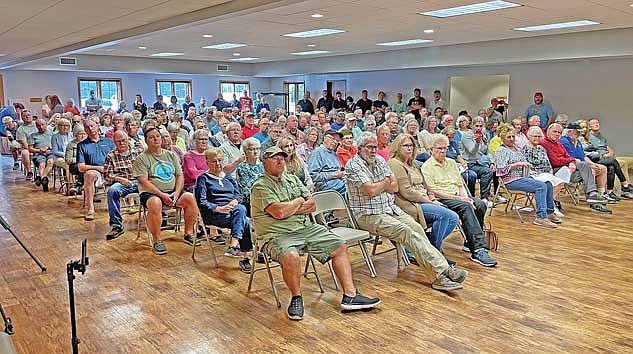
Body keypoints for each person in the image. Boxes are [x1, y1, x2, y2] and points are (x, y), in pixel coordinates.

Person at [251, 146, 381, 320]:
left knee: (339, 245)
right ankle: (296, 297)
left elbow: (312, 205)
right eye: (274, 158)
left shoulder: (293, 179)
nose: (280, 160)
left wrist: (291, 207)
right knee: (291, 255)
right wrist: (298, 201)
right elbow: (279, 213)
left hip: (305, 228)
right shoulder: (260, 186)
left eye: (282, 157)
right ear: (264, 162)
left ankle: (350, 295)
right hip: (276, 235)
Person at [346, 133, 469, 289]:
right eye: (369, 147)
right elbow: (370, 190)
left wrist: (379, 185)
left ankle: (441, 272)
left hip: (390, 209)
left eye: (375, 147)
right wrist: (384, 183)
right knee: (406, 232)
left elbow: (395, 187)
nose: (373, 151)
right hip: (369, 215)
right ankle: (442, 273)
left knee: (417, 228)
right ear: (360, 148)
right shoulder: (353, 165)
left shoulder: (379, 161)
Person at [421, 135, 498, 267]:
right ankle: (478, 249)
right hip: (442, 199)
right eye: (439, 148)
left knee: (479, 204)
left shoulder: (451, 162)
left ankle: (470, 242)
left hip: (457, 195)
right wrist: (461, 199)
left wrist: (466, 197)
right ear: (431, 150)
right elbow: (433, 191)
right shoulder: (427, 167)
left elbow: (460, 184)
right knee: (465, 206)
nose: (443, 151)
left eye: (445, 148)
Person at [387, 134, 459, 264]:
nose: (409, 148)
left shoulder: (412, 163)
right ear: (398, 147)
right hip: (410, 204)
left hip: (424, 200)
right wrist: (430, 202)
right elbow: (407, 192)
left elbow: (426, 185)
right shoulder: (394, 163)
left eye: (411, 145)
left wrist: (432, 197)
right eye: (405, 146)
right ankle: (434, 256)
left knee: (453, 217)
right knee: (447, 216)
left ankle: (428, 250)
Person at [133, 127, 199, 254]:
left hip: (173, 191)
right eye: (152, 137)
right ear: (146, 141)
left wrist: (177, 193)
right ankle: (157, 240)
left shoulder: (170, 155)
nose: (156, 139)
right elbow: (143, 182)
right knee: (155, 203)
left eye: (157, 136)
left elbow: (180, 176)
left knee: (190, 198)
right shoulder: (141, 158)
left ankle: (189, 233)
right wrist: (162, 195)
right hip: (152, 193)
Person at [195, 148, 253, 272]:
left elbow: (239, 195)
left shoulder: (228, 177)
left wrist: (235, 201)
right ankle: (243, 256)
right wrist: (219, 208)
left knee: (240, 209)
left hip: (233, 211)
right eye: (214, 161)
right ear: (207, 162)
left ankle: (234, 246)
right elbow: (202, 202)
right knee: (244, 219)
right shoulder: (203, 179)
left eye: (220, 161)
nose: (218, 164)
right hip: (215, 215)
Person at [493, 124, 560, 228]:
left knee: (548, 184)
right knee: (541, 186)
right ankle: (541, 217)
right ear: (502, 138)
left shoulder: (515, 148)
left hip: (523, 176)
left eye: (513, 136)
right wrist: (517, 164)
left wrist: (532, 172)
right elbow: (500, 171)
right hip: (510, 180)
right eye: (509, 137)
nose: (511, 139)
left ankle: (549, 212)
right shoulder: (501, 150)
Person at [540, 123, 611, 213]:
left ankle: (593, 195)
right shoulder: (544, 143)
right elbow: (554, 161)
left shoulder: (558, 144)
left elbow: (568, 156)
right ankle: (594, 200)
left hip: (567, 170)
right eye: (555, 131)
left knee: (585, 166)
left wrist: (571, 162)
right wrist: (571, 161)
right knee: (589, 171)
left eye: (559, 132)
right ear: (548, 132)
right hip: (555, 171)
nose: (557, 134)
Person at [522, 126, 567, 216]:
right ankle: (550, 207)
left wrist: (550, 171)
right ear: (529, 136)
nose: (537, 138)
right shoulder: (525, 149)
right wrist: (532, 172)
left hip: (545, 173)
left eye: (539, 136)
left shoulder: (541, 148)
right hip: (534, 174)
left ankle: (550, 204)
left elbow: (547, 162)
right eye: (535, 136)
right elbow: (525, 164)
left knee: (560, 182)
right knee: (547, 183)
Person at [103, 131, 140, 240]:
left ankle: (161, 215)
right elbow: (106, 175)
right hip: (122, 182)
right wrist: (119, 179)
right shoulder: (111, 156)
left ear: (128, 139)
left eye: (124, 140)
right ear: (114, 142)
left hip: (140, 180)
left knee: (157, 184)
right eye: (118, 142)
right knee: (112, 191)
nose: (122, 143)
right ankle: (117, 225)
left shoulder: (138, 151)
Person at [584, 118, 633, 199]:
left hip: (605, 157)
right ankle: (625, 184)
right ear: (589, 127)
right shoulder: (588, 137)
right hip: (596, 158)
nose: (597, 124)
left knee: (611, 167)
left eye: (597, 123)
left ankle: (609, 192)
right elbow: (589, 151)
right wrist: (602, 154)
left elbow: (608, 148)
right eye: (594, 123)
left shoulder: (600, 135)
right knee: (613, 161)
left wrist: (609, 153)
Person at [77, 119, 116, 220]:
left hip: (112, 170)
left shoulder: (109, 142)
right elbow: (81, 167)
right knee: (89, 174)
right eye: (87, 127)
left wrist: (108, 168)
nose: (90, 129)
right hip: (96, 172)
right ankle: (90, 208)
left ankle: (131, 203)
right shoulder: (81, 145)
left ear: (98, 126)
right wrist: (98, 168)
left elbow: (117, 157)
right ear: (85, 130)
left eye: (92, 126)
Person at [461, 116, 495, 206]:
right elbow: (472, 151)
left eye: (480, 126)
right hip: (469, 163)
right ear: (472, 126)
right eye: (476, 126)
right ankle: (484, 197)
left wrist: (491, 162)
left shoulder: (483, 135)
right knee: (487, 171)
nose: (479, 128)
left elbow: (487, 151)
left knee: (494, 169)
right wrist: (477, 142)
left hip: (480, 162)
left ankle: (493, 195)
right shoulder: (467, 136)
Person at [307, 130, 346, 195]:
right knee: (351, 187)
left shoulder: (334, 154)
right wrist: (332, 175)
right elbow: (312, 175)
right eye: (333, 139)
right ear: (325, 138)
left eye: (337, 140)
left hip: (338, 182)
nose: (335, 142)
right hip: (326, 186)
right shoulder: (318, 152)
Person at [28, 118, 55, 192]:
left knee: (50, 162)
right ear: (36, 126)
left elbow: (56, 145)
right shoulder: (33, 135)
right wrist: (39, 150)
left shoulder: (51, 133)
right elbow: (30, 149)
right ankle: (44, 180)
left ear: (46, 124)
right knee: (41, 164)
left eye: (43, 125)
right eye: (39, 125)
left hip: (50, 152)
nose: (41, 127)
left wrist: (49, 147)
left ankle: (41, 178)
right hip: (39, 154)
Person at [16, 110, 38, 180]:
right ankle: (29, 172)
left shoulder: (38, 124)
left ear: (32, 116)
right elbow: (25, 144)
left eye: (28, 115)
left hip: (41, 146)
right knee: (25, 153)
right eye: (24, 116)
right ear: (22, 118)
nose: (27, 117)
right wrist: (33, 150)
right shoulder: (20, 129)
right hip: (29, 148)